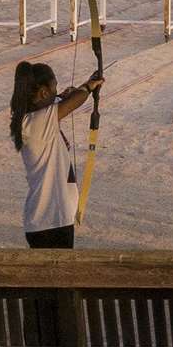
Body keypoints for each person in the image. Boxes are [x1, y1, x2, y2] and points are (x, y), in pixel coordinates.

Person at [11, 60, 102, 249]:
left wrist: (63, 95)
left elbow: (61, 102)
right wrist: (87, 86)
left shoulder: (30, 118)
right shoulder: (38, 121)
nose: (56, 92)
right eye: (54, 88)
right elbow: (73, 103)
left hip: (47, 220)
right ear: (43, 92)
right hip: (52, 220)